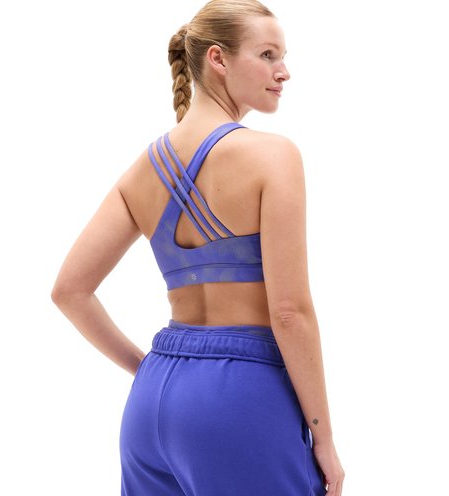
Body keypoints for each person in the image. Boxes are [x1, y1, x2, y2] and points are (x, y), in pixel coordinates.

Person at [51, 0, 345, 494]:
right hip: (242, 396)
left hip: (151, 403)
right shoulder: (273, 155)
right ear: (218, 58)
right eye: (268, 55)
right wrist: (325, 438)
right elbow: (289, 312)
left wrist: (147, 369)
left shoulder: (144, 168)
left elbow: (69, 291)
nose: (284, 71)